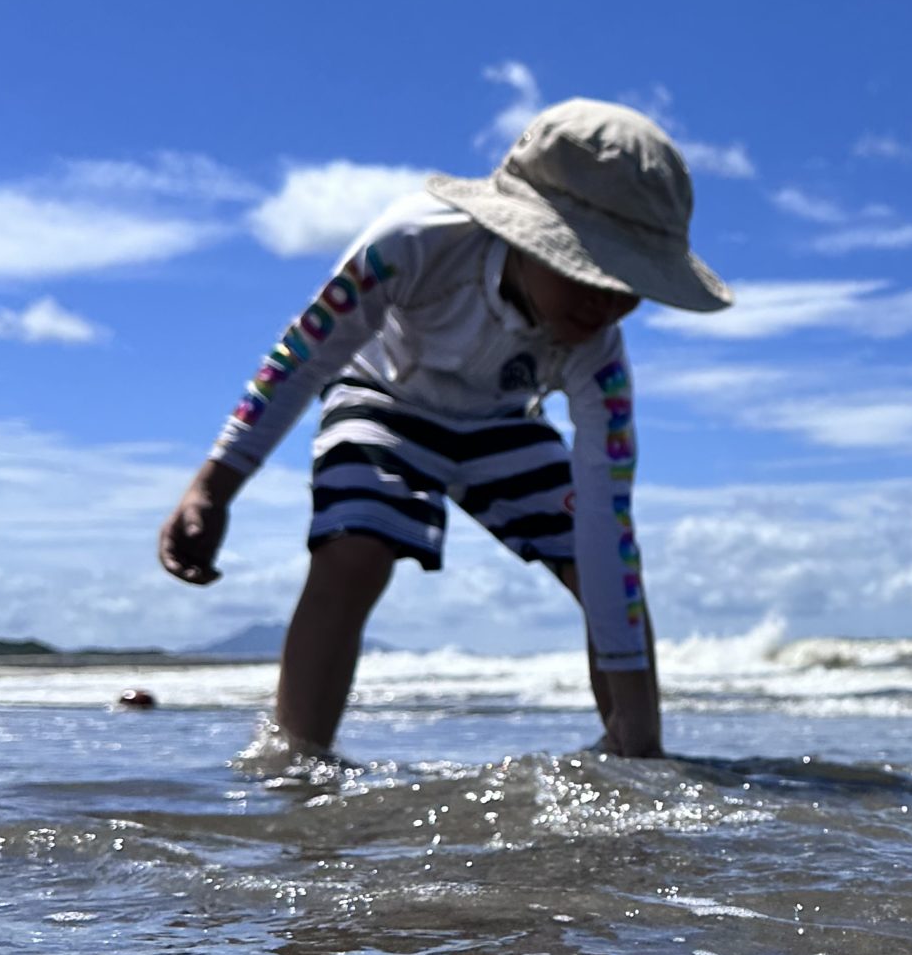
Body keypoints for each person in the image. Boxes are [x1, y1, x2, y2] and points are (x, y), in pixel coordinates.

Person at [158, 98, 730, 758]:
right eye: (587, 269)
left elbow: (609, 526)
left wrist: (644, 749)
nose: (604, 304)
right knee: (354, 549)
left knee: (592, 559)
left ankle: (631, 745)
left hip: (506, 424)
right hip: (384, 399)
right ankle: (293, 756)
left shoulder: (595, 352)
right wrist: (213, 486)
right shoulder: (414, 242)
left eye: (629, 284)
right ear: (520, 233)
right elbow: (302, 357)